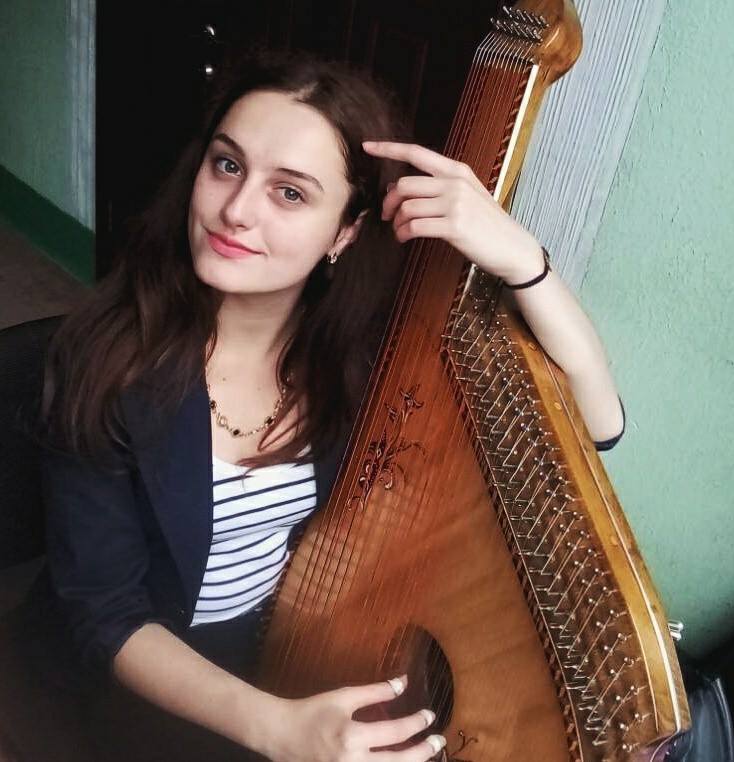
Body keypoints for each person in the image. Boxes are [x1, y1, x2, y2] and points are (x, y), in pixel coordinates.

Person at [33, 45, 625, 762]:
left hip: (286, 645)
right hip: (143, 677)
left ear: (344, 231)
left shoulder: (365, 357)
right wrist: (276, 727)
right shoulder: (104, 357)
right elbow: (106, 614)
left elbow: (596, 427)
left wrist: (522, 259)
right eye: (227, 165)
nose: (235, 211)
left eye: (290, 193)